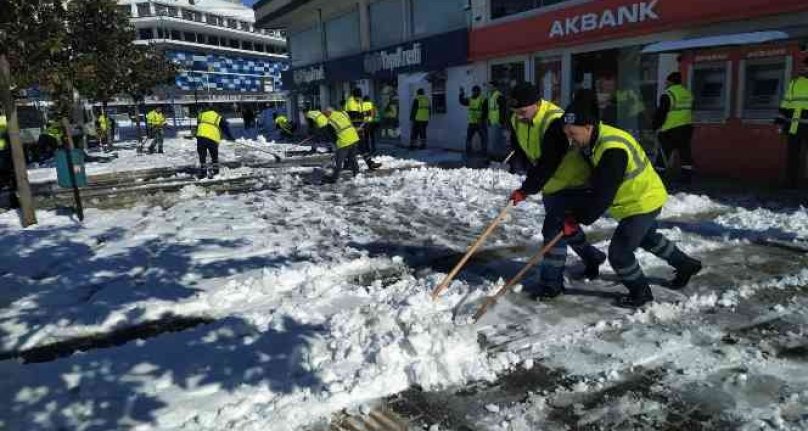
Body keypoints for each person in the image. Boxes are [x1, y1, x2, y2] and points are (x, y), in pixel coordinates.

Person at [560, 97, 703, 308]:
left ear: (589, 127)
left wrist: (580, 218)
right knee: (646, 238)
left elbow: (604, 192)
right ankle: (686, 264)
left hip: (642, 201)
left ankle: (640, 293)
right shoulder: (594, 139)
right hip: (638, 199)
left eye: (573, 134)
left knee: (619, 254)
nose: (570, 139)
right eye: (567, 134)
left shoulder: (612, 149)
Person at [507, 84, 605, 299]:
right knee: (566, 228)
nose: (519, 116)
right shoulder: (517, 117)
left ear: (537, 103)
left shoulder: (555, 121)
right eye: (515, 111)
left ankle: (551, 284)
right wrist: (520, 166)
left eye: (523, 111)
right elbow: (521, 145)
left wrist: (526, 189)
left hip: (574, 182)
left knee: (552, 233)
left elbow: (549, 162)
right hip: (551, 185)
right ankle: (592, 256)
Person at [653, 72, 694, 182]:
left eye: (667, 82)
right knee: (685, 153)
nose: (666, 84)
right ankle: (687, 177)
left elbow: (661, 113)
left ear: (671, 82)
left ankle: (658, 177)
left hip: (670, 129)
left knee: (663, 154)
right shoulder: (688, 93)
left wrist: (655, 126)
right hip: (686, 128)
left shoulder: (668, 95)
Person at [777, 56, 808, 188]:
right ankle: (790, 182)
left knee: (793, 155)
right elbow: (786, 101)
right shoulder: (795, 82)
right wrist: (780, 121)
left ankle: (791, 182)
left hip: (796, 125)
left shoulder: (796, 82)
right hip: (794, 125)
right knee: (793, 155)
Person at [344, 88, 381, 170]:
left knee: (361, 147)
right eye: (358, 96)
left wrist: (368, 115)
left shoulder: (358, 102)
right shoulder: (350, 102)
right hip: (351, 128)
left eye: (360, 96)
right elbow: (354, 115)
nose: (359, 98)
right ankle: (347, 164)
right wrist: (366, 113)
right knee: (352, 147)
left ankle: (369, 163)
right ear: (354, 96)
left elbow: (360, 115)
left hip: (359, 128)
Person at [195, 105, 234, 179]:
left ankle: (203, 173)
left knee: (202, 156)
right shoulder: (218, 117)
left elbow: (198, 124)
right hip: (212, 139)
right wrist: (230, 137)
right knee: (214, 157)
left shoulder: (201, 115)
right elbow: (225, 127)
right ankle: (216, 172)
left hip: (201, 137)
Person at [322, 107, 360, 183]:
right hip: (354, 138)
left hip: (344, 141)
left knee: (338, 161)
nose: (325, 116)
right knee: (352, 158)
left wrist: (335, 145)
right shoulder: (343, 113)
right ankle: (357, 175)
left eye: (325, 114)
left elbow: (332, 136)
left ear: (329, 113)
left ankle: (333, 178)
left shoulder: (330, 121)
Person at [460, 85, 488, 161]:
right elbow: (462, 102)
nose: (474, 92)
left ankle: (484, 154)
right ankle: (469, 153)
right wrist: (461, 94)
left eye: (476, 91)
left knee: (483, 139)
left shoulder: (483, 99)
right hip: (472, 122)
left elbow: (486, 111)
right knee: (469, 139)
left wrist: (482, 119)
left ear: (479, 92)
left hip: (480, 123)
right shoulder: (470, 99)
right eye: (473, 91)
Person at [486, 82, 508, 156]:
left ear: (495, 87)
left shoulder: (498, 96)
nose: (489, 88)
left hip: (497, 122)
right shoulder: (490, 96)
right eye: (489, 87)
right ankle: (497, 155)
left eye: (491, 86)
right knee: (495, 140)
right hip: (492, 122)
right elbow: (490, 110)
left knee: (496, 140)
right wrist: (488, 119)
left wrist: (501, 121)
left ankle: (498, 156)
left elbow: (503, 109)